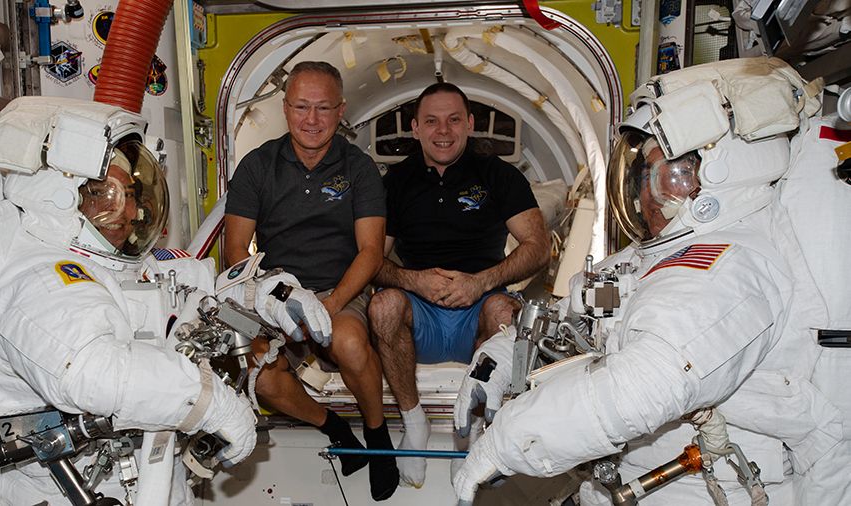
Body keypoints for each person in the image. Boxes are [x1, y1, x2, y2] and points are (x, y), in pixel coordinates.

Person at [453, 59, 848, 505]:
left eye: (671, 176)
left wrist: (508, 443)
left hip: (698, 488)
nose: (648, 195)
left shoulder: (730, 266)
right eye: (644, 177)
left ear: (720, 176)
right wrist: (494, 362)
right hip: (626, 475)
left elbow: (644, 385)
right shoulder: (644, 261)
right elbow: (565, 316)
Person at [0, 97, 262, 504]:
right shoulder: (41, 276)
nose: (128, 212)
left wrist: (258, 295)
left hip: (134, 473)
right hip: (63, 487)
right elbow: (91, 370)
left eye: (130, 195)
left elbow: (192, 291)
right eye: (104, 195)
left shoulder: (110, 265)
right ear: (60, 197)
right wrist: (209, 402)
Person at [223, 61, 399, 501]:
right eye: (301, 106)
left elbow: (371, 252)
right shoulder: (257, 165)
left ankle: (377, 437)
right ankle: (334, 427)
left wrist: (329, 305)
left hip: (340, 290)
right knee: (260, 377)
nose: (312, 119)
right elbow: (234, 250)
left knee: (350, 343)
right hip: (275, 293)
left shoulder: (359, 168)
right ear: (285, 108)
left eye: (323, 108)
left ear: (341, 111)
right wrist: (273, 298)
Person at [367, 82, 551, 488]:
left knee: (505, 311)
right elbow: (371, 259)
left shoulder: (499, 175)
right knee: (383, 306)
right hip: (422, 315)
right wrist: (414, 280)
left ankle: (470, 432)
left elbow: (540, 248)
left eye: (453, 120)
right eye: (431, 121)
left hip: (479, 311)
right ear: (415, 128)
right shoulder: (394, 182)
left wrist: (481, 282)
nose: (443, 131)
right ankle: (414, 422)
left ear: (469, 124)